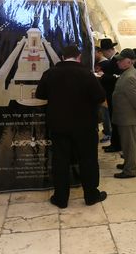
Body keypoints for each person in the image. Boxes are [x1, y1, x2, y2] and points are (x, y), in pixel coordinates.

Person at [36, 45, 107, 208]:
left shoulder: (50, 73)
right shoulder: (87, 74)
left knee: (60, 161)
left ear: (62, 57)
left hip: (59, 126)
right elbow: (100, 97)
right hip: (85, 126)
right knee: (88, 160)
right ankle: (91, 196)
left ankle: (61, 199)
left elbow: (40, 94)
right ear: (79, 57)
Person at [111, 49, 136, 179]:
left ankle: (130, 170)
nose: (118, 62)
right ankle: (127, 164)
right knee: (126, 144)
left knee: (129, 145)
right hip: (124, 116)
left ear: (129, 61)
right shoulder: (127, 73)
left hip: (127, 116)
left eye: (121, 60)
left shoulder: (130, 76)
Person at [98, 38, 122, 153]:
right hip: (111, 94)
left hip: (115, 95)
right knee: (113, 120)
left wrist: (103, 76)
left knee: (115, 121)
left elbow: (117, 77)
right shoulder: (112, 60)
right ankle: (114, 143)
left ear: (108, 50)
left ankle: (116, 145)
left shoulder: (117, 60)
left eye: (103, 52)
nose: (103, 55)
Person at [94, 46, 111, 143]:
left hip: (104, 93)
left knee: (105, 114)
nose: (93, 55)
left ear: (100, 52)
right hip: (98, 92)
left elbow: (108, 79)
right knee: (102, 113)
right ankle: (106, 130)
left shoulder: (106, 63)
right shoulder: (96, 62)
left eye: (94, 52)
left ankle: (108, 133)